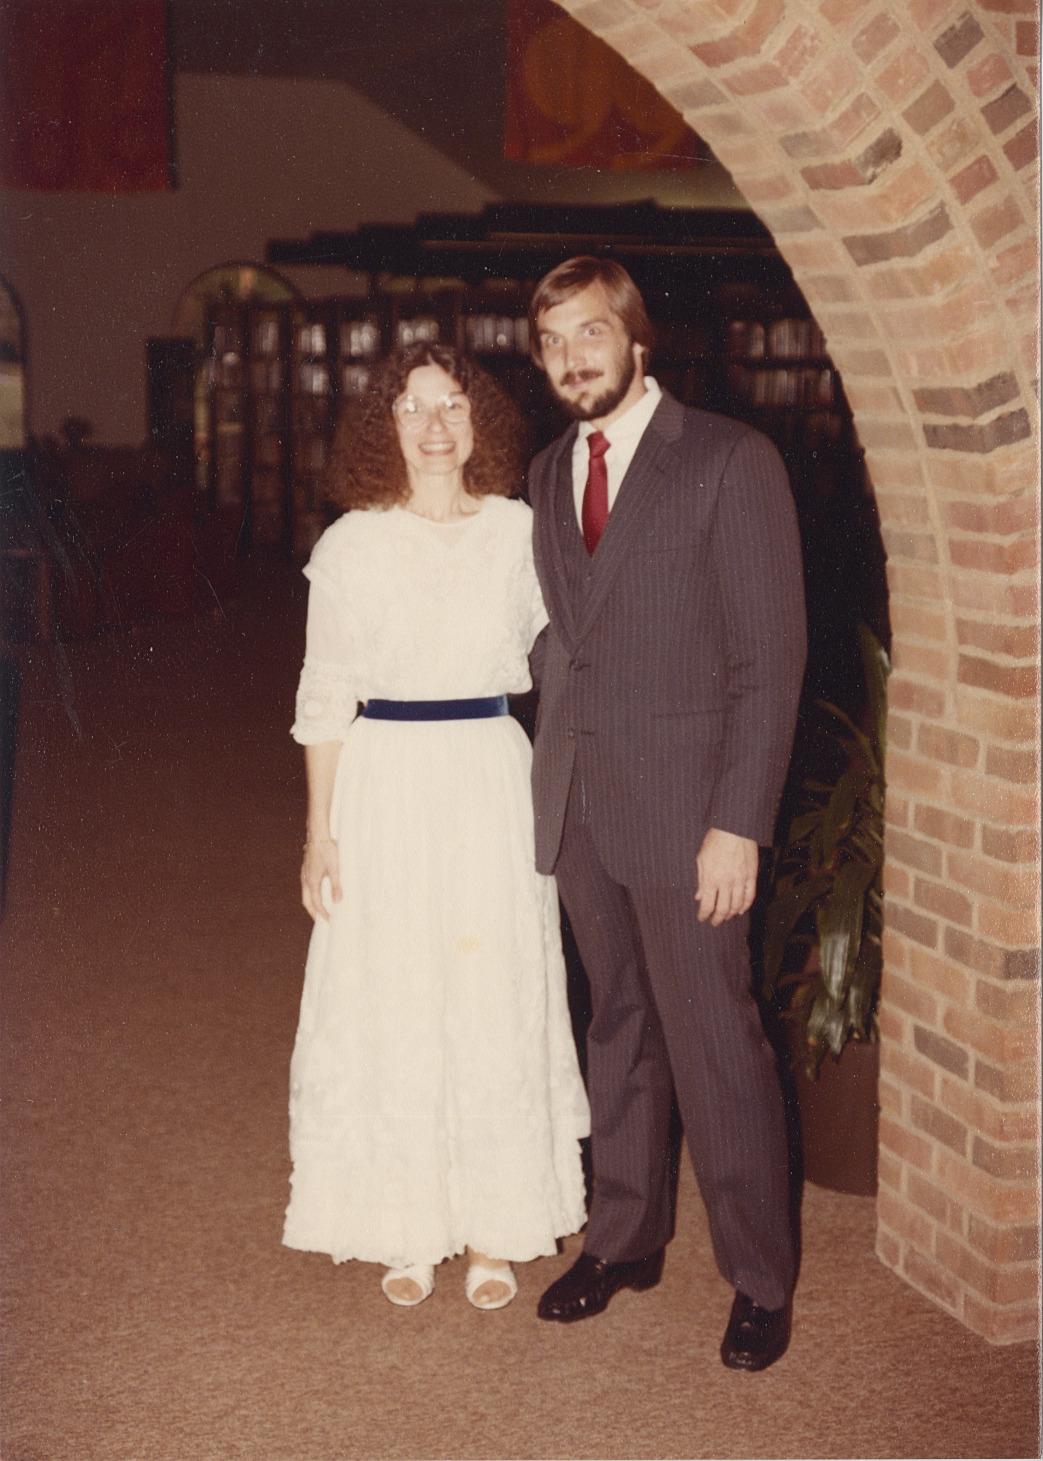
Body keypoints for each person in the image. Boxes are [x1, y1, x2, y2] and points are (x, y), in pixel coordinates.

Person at [525, 257, 806, 1371]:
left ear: (637, 340)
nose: (570, 358)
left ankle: (759, 1277)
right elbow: (562, 638)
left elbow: (766, 659)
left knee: (714, 1044)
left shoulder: (729, 461)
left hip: (692, 815)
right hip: (585, 804)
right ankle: (625, 1237)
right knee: (617, 1028)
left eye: (589, 333)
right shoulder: (550, 471)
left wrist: (736, 821)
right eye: (550, 342)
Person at [284, 343, 589, 1310]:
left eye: (451, 403)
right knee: (397, 990)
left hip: (491, 778)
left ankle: (497, 1225)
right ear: (386, 426)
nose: (432, 424)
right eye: (411, 406)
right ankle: (405, 1222)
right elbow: (325, 695)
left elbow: (578, 653)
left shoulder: (518, 533)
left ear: (478, 422)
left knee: (494, 988)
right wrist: (318, 831)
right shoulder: (351, 546)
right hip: (386, 786)